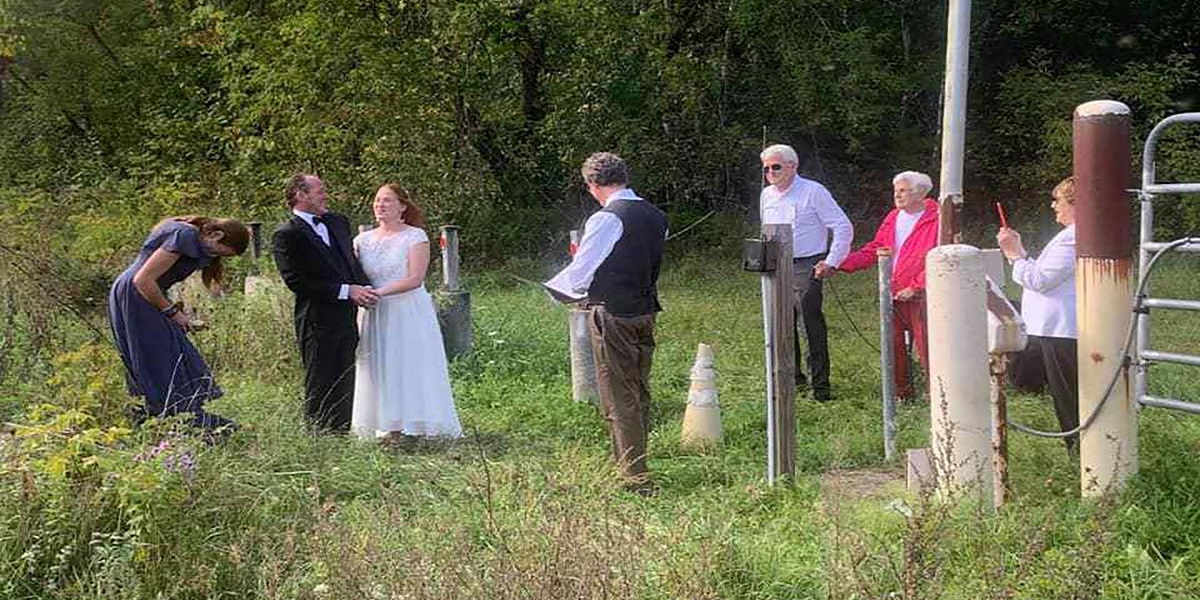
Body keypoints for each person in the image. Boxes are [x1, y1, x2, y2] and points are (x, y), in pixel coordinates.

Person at [545, 152, 667, 494]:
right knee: (639, 389)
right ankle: (634, 460)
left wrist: (555, 291)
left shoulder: (606, 218)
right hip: (645, 310)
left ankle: (635, 475)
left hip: (613, 313)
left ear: (593, 185)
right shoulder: (657, 216)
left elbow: (581, 273)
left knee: (619, 394)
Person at [108, 216, 249, 433]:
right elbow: (143, 279)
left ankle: (170, 418)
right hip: (136, 296)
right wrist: (172, 312)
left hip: (145, 295)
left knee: (169, 351)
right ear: (217, 235)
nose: (215, 257)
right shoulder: (184, 235)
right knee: (156, 357)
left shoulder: (194, 239)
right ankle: (169, 418)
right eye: (220, 252)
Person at [351, 184, 462, 442]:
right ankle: (385, 424)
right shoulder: (362, 241)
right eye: (377, 200)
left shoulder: (415, 236)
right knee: (377, 364)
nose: (380, 205)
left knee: (406, 363)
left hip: (406, 309)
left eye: (387, 200)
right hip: (373, 311)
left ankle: (411, 423)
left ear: (402, 206)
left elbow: (414, 278)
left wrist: (379, 293)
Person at [272, 174, 378, 433]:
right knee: (320, 375)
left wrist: (363, 287)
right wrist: (346, 291)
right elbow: (296, 281)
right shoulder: (286, 234)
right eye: (320, 190)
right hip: (316, 317)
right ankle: (318, 434)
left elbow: (349, 263)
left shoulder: (338, 222)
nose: (325, 195)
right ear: (300, 194)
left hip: (347, 313)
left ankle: (341, 430)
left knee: (346, 371)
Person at [759, 144, 853, 402]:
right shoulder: (767, 195)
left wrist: (831, 261)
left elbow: (842, 226)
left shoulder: (813, 192)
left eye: (776, 166)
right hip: (776, 265)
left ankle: (820, 388)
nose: (771, 172)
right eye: (766, 168)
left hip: (806, 265)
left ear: (792, 166)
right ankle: (791, 380)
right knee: (780, 326)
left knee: (809, 326)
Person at [835, 171, 939, 401]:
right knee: (893, 346)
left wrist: (916, 286)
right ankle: (901, 394)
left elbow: (939, 258)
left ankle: (938, 396)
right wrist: (840, 263)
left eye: (904, 191)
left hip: (922, 297)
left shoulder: (939, 219)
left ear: (921, 193)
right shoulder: (893, 217)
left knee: (929, 348)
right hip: (892, 294)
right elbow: (876, 248)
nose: (898, 195)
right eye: (896, 191)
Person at [997, 176, 1079, 451]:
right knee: (1062, 395)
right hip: (1052, 328)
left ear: (1076, 204)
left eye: (1058, 200)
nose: (1054, 206)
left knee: (1069, 398)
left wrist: (1013, 255)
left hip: (1061, 330)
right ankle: (1079, 451)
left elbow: (1040, 280)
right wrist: (1019, 251)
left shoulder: (1073, 237)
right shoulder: (1072, 235)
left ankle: (1079, 453)